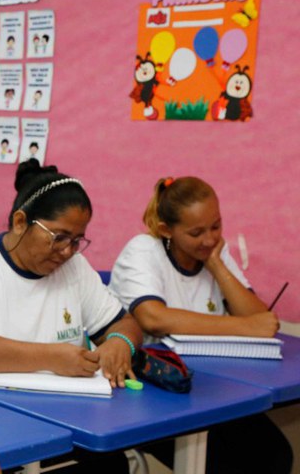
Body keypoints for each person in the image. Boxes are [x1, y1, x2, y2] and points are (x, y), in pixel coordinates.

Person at [0, 160, 142, 473]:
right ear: (20, 222)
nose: (68, 251)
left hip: (72, 419)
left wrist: (119, 342)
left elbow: (125, 323)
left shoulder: (74, 270)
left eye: (77, 240)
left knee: (111, 464)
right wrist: (52, 358)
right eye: (59, 237)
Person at [110, 176, 292, 473]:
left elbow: (261, 319)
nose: (209, 239)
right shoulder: (143, 250)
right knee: (230, 464)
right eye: (196, 232)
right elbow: (154, 318)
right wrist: (244, 327)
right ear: (167, 230)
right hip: (156, 392)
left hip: (214, 387)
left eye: (216, 226)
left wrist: (217, 266)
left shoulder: (213, 252)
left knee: (274, 455)